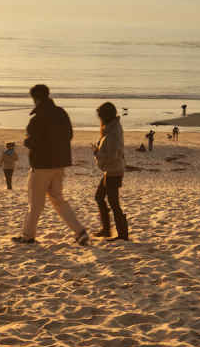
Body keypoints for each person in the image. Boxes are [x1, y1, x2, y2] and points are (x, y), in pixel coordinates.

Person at [15, 84, 88, 245]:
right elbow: (69, 135)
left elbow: (33, 141)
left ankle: (28, 235)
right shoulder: (61, 113)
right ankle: (80, 231)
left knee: (35, 203)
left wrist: (27, 141)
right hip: (59, 163)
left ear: (35, 98)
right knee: (58, 199)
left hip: (41, 165)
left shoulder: (37, 118)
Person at [92, 102, 129, 241]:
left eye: (100, 116)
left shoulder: (113, 132)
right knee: (100, 197)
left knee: (113, 203)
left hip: (113, 170)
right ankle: (107, 229)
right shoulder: (111, 128)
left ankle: (122, 234)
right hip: (112, 170)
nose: (99, 119)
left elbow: (112, 154)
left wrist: (97, 153)